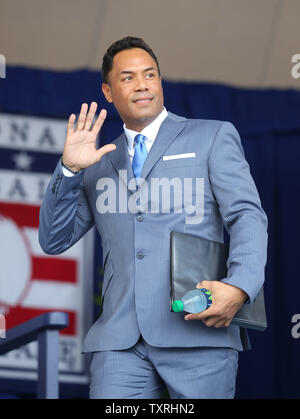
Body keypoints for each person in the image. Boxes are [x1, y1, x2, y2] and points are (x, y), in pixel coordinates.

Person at [39, 36, 268, 399]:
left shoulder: (211, 136)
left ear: (160, 81)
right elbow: (53, 240)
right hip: (119, 344)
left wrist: (240, 286)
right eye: (128, 77)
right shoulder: (99, 162)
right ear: (108, 91)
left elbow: (247, 216)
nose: (142, 84)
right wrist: (68, 170)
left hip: (198, 332)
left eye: (150, 74)